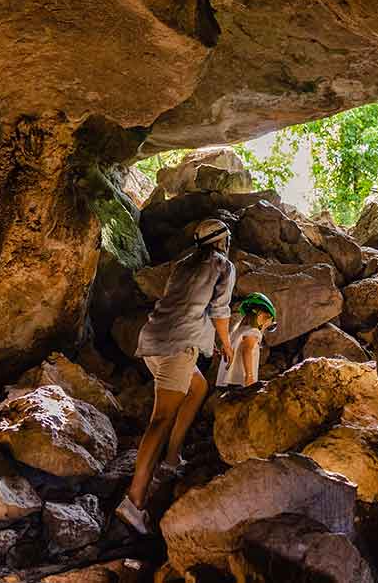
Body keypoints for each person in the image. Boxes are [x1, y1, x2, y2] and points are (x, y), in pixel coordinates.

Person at [115, 218, 236, 535]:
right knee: (161, 419)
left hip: (153, 340)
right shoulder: (223, 265)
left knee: (197, 387)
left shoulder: (184, 264)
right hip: (179, 347)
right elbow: (221, 311)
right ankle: (134, 500)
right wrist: (225, 344)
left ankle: (171, 458)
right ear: (223, 241)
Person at [215, 292, 278, 388]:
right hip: (239, 380)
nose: (265, 328)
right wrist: (249, 376)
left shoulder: (238, 331)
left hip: (227, 379)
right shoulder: (253, 332)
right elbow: (247, 351)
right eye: (267, 323)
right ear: (261, 317)